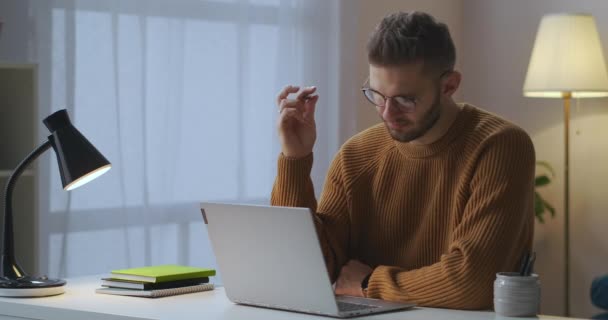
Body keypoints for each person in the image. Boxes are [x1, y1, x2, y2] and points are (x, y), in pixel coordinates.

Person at [271, 11, 535, 310]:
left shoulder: (500, 146)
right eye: (377, 95)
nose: (387, 113)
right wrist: (295, 158)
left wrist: (370, 283)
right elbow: (302, 271)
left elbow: (471, 283)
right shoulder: (356, 155)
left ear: (449, 85)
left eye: (405, 100)